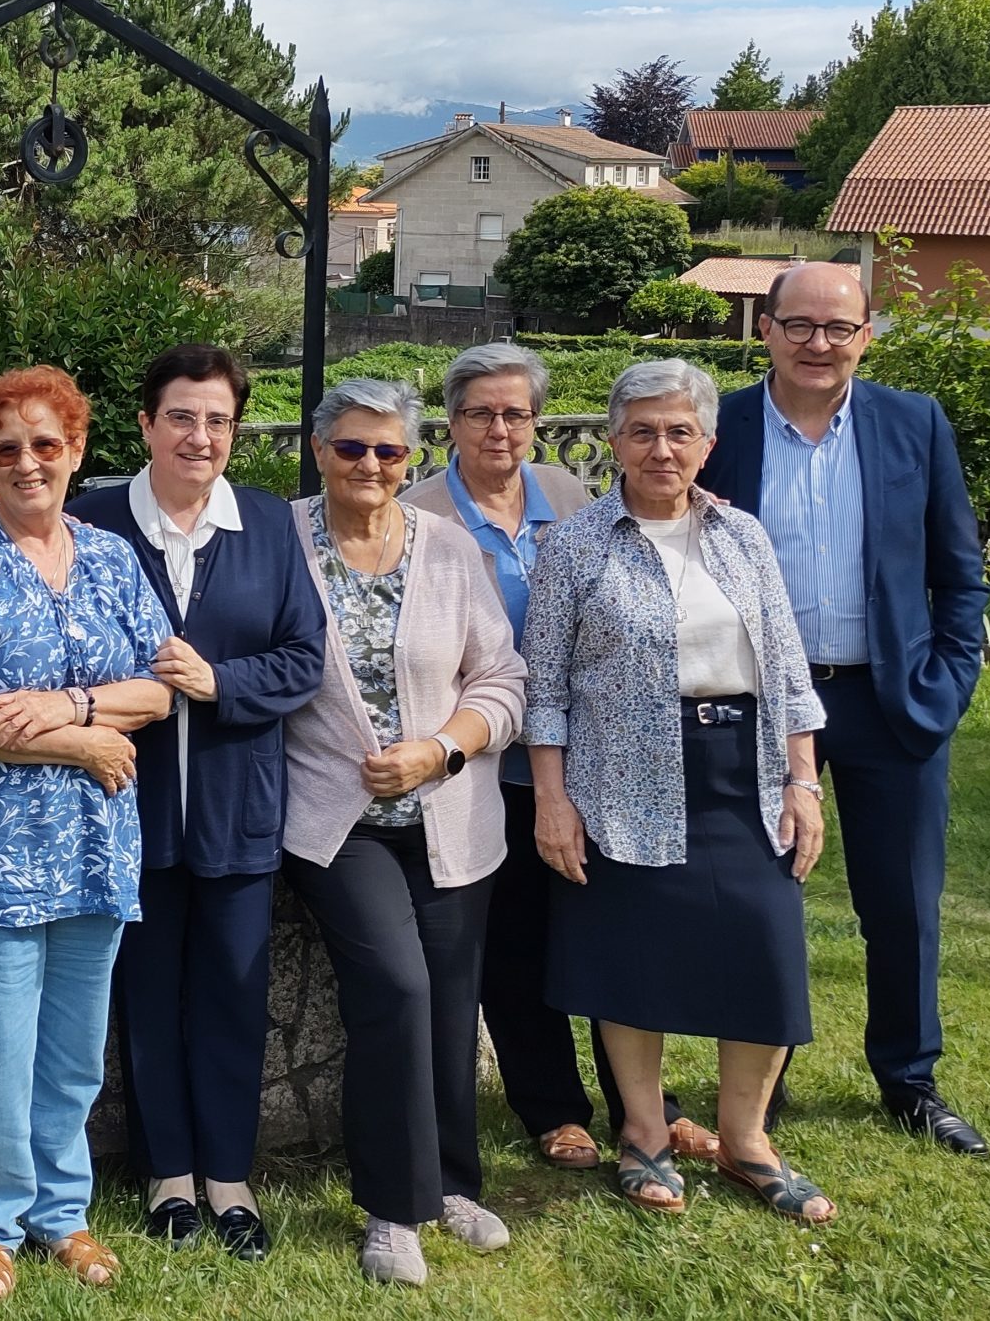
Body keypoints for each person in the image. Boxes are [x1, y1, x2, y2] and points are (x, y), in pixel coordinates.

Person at [523, 359, 833, 1226]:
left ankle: (746, 1140)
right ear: (614, 441)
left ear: (707, 442)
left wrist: (803, 780)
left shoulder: (744, 537)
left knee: (766, 948)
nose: (662, 449)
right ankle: (644, 1132)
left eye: (680, 432)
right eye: (644, 432)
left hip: (744, 770)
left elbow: (788, 671)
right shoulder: (576, 546)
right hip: (621, 778)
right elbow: (544, 690)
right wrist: (552, 800)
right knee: (634, 959)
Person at [697, 261, 990, 1156]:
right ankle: (761, 1078)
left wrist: (945, 684)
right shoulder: (720, 428)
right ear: (765, 330)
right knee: (757, 898)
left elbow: (959, 573)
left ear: (866, 335)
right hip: (755, 704)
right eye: (799, 325)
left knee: (903, 903)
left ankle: (909, 1079)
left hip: (888, 700)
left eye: (838, 327)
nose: (818, 343)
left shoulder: (914, 424)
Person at [410, 344, 719, 1173]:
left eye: (516, 413)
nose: (499, 430)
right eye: (480, 413)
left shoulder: (568, 493)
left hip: (590, 756)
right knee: (514, 943)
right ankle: (550, 1105)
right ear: (450, 423)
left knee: (615, 934)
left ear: (537, 422)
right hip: (484, 763)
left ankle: (646, 1107)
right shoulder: (421, 512)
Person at [0, 366, 174, 1301]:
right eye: (6, 448)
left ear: (76, 451)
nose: (27, 463)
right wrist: (86, 743)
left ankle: (62, 1212)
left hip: (94, 849)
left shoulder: (111, 558)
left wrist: (72, 707)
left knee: (69, 1053)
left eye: (46, 444)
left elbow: (160, 688)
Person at [70, 345, 324, 1260]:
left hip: (235, 803)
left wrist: (222, 682)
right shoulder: (93, 521)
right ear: (146, 424)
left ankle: (229, 1175)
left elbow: (303, 656)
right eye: (181, 416)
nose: (200, 436)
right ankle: (168, 1175)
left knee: (233, 991)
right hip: (124, 803)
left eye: (219, 420)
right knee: (146, 995)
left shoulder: (267, 523)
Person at [282, 379, 527, 1288]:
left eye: (389, 451)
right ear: (319, 450)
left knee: (452, 1002)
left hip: (450, 813)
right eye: (352, 447)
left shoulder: (450, 548)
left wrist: (439, 750)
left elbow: (502, 678)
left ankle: (454, 1183)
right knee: (396, 985)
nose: (371, 465)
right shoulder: (281, 541)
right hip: (334, 819)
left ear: (411, 458)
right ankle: (393, 1208)